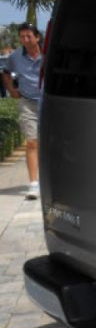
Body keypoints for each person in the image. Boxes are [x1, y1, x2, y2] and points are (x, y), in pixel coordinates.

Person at [1, 23, 43, 199]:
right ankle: (33, 184)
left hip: (48, 103)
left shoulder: (49, 53)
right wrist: (12, 90)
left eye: (28, 36)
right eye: (22, 37)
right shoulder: (15, 57)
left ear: (37, 37)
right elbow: (5, 71)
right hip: (27, 103)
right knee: (32, 142)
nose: (25, 40)